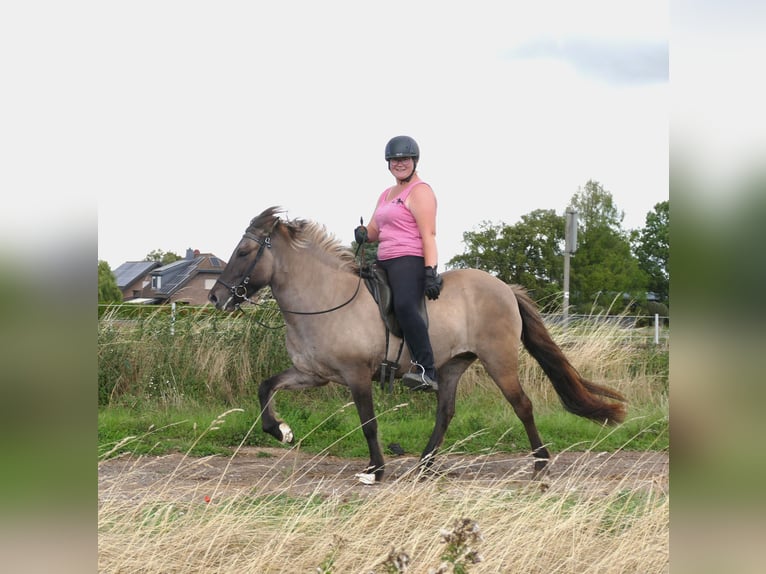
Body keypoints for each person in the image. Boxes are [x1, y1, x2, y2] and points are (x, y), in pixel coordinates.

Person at [354, 135, 443, 392]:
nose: (399, 163)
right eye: (394, 160)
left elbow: (429, 234)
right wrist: (363, 233)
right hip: (382, 259)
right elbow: (374, 229)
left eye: (404, 159)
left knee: (404, 306)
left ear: (414, 161)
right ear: (388, 163)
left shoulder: (421, 191)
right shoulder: (386, 194)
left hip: (409, 258)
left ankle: (427, 370)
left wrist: (430, 271)